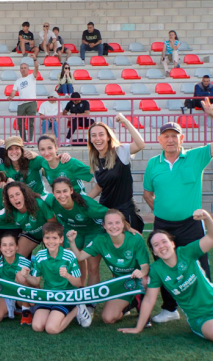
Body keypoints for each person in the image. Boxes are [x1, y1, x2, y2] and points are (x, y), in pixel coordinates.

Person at [142, 121, 212, 323]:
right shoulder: (153, 163)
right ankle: (170, 308)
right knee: (163, 265)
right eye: (166, 136)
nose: (171, 139)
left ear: (182, 139)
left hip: (191, 224)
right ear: (160, 140)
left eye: (175, 136)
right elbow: (147, 193)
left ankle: (208, 307)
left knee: (200, 265)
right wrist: (162, 210)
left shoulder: (195, 156)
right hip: (163, 225)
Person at [119, 209, 213, 340]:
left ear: (172, 244)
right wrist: (138, 328)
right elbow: (149, 300)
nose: (161, 246)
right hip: (201, 317)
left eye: (164, 241)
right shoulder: (157, 270)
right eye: (156, 245)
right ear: (155, 253)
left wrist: (207, 217)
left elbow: (211, 237)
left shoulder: (187, 252)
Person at [67, 209, 149, 325]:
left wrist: (141, 272)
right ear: (104, 226)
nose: (113, 226)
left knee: (146, 281)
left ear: (123, 224)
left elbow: (145, 266)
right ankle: (131, 304)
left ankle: (141, 301)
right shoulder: (101, 240)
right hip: (120, 283)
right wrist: (72, 242)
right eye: (109, 223)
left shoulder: (135, 238)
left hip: (138, 279)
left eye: (117, 222)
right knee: (108, 318)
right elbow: (80, 257)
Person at [23, 222, 92, 334]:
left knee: (52, 329)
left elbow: (78, 283)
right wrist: (27, 276)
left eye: (54, 238)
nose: (51, 241)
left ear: (61, 239)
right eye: (47, 238)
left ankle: (77, 309)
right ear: (43, 239)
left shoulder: (69, 256)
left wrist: (67, 275)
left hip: (65, 296)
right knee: (37, 326)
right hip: (49, 295)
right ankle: (54, 313)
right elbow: (35, 281)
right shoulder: (40, 255)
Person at [86, 115, 146, 232]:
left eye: (101, 134)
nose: (97, 138)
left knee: (129, 248)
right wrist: (83, 201)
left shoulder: (120, 151)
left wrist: (125, 122)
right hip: (106, 211)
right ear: (90, 140)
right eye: (93, 136)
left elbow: (140, 144)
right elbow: (99, 186)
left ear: (108, 137)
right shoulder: (95, 159)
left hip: (125, 210)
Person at [46, 177, 108, 289]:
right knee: (71, 260)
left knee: (93, 267)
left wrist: (128, 228)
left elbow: (109, 213)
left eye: (65, 191)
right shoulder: (51, 201)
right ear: (53, 193)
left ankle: (91, 301)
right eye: (58, 192)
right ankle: (80, 287)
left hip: (93, 230)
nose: (62, 195)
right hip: (73, 230)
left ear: (71, 190)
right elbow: (35, 199)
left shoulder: (85, 203)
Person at [0, 182, 55, 259]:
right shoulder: (9, 210)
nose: (15, 198)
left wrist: (48, 239)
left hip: (50, 231)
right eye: (11, 196)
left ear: (24, 194)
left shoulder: (38, 203)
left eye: (18, 194)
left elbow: (53, 224)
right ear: (8, 200)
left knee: (56, 255)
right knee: (15, 258)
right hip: (32, 234)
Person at [10, 54, 39, 143]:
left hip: (31, 102)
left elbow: (37, 68)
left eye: (25, 68)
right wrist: (11, 96)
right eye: (21, 68)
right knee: (20, 122)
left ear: (28, 69)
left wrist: (34, 59)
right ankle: (23, 140)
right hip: (21, 103)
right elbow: (14, 91)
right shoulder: (17, 81)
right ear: (20, 70)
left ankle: (29, 140)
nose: (23, 69)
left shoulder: (31, 77)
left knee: (31, 122)